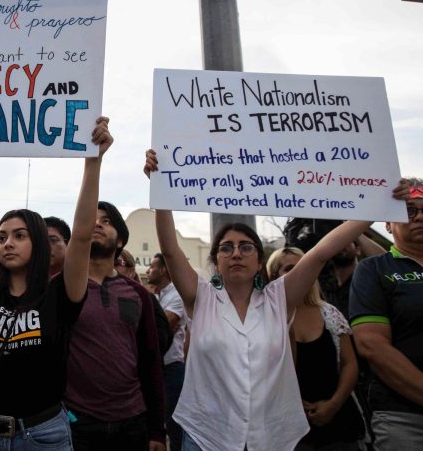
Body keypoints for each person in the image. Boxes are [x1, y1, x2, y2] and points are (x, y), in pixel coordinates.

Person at [143, 149, 394, 450]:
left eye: (246, 247)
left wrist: (381, 203)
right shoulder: (201, 297)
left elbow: (321, 252)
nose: (236, 253)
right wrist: (159, 190)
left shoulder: (280, 298)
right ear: (216, 260)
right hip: (207, 435)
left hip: (272, 436)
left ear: (260, 260)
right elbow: (170, 250)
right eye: (226, 248)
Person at [0, 114, 112, 449]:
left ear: (39, 243)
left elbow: (83, 235)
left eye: (18, 235)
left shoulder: (60, 294)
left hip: (41, 436)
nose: (7, 243)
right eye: (1, 237)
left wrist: (93, 161)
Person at [65, 202, 166, 451]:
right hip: (77, 424)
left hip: (133, 424)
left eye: (106, 220)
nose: (97, 223)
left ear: (120, 240)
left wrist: (156, 430)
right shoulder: (61, 289)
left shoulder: (139, 295)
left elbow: (151, 360)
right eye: (91, 218)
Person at [350, 178, 423, 449]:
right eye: (409, 211)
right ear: (388, 224)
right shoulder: (374, 270)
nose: (419, 217)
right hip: (405, 419)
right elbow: (372, 345)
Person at [268, 247, 364, 450]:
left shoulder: (330, 313)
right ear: (273, 276)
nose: (299, 274)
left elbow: (349, 364)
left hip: (339, 426)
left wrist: (333, 404)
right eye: (290, 268)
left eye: (305, 267)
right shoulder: (263, 319)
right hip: (288, 431)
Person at [147, 253, 187, 451]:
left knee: (174, 425)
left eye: (152, 266)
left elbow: (159, 327)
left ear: (162, 270)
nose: (148, 271)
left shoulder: (177, 295)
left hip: (172, 369)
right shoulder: (158, 296)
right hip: (157, 368)